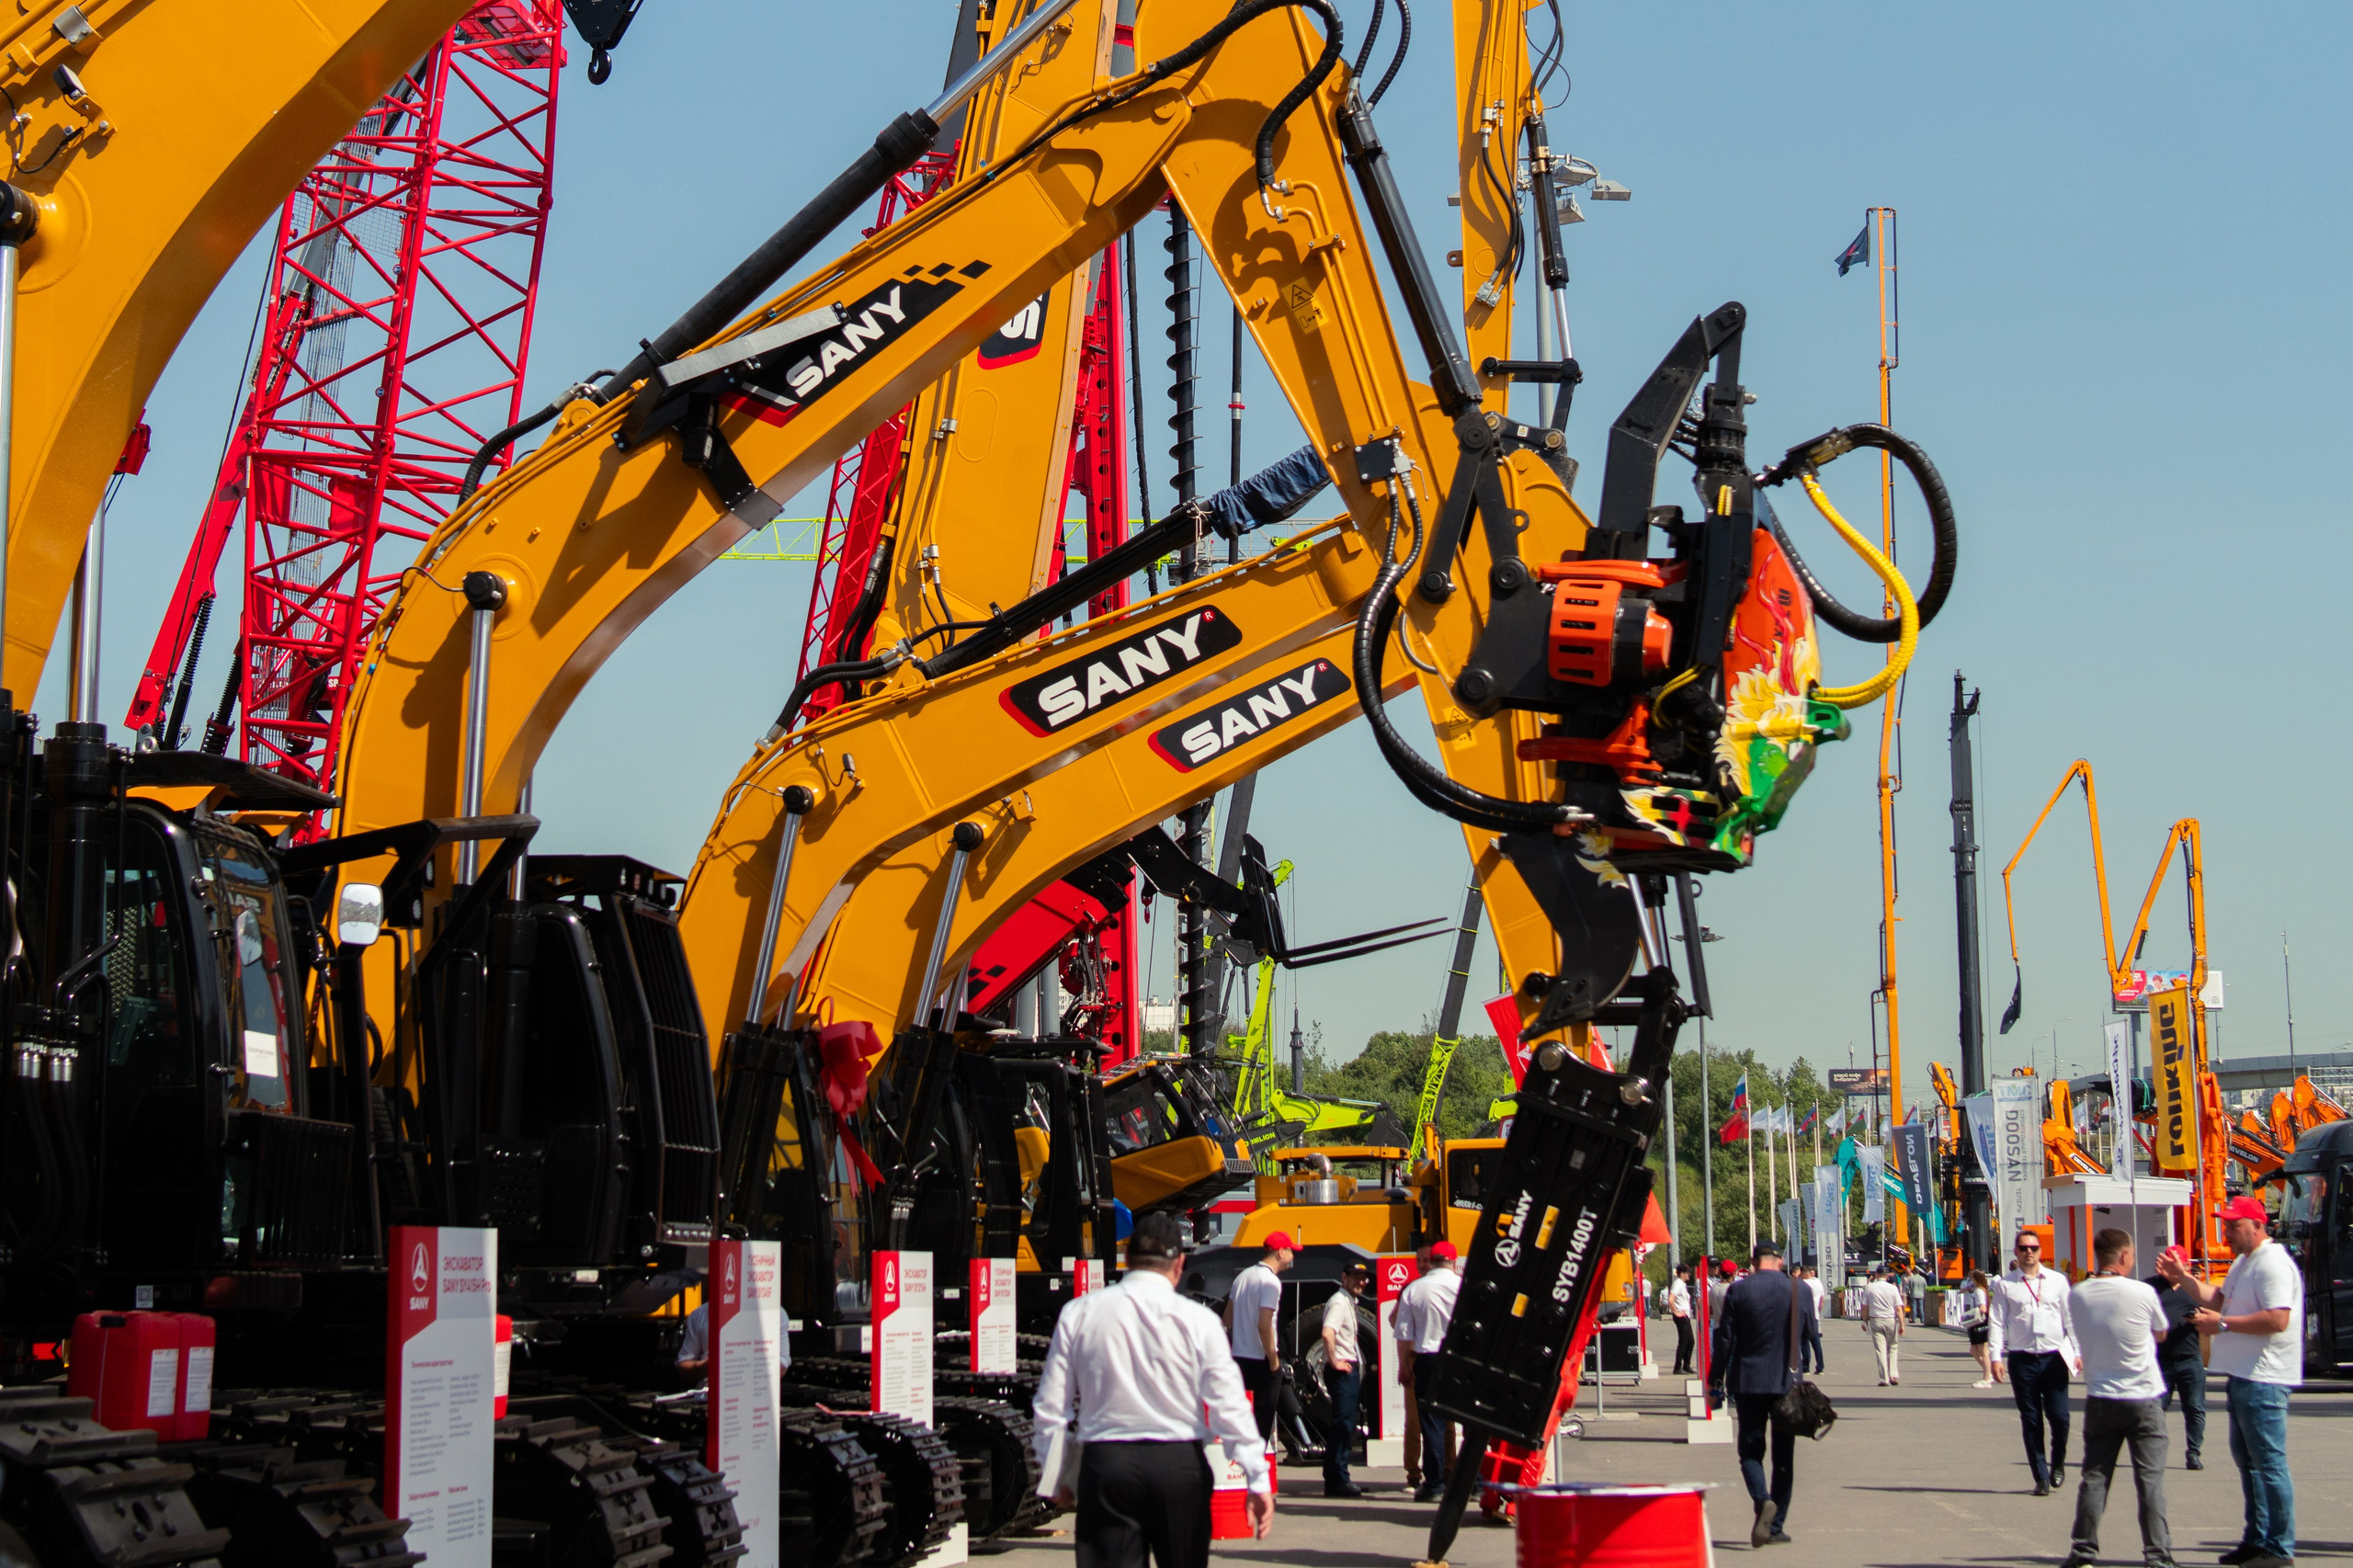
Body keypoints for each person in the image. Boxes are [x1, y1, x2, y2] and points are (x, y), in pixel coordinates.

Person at [1034, 1210, 1273, 1565]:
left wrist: (1056, 1473)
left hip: (1107, 1465)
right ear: (1179, 1264)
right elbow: (1229, 1405)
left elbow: (1051, 1406)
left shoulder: (1079, 1313)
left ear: (1127, 1260)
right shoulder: (1200, 1321)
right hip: (1178, 1465)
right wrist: (1256, 1476)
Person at [2160, 1197, 2302, 1568]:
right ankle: (2258, 1539)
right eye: (2226, 1223)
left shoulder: (2271, 1264)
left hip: (2265, 1377)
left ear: (2257, 1226)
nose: (2227, 1230)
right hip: (2245, 1375)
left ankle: (2279, 1548)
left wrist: (2220, 1325)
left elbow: (2277, 1319)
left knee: (2268, 1464)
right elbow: (2218, 1298)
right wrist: (2185, 1279)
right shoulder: (2245, 1262)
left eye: (2234, 1224)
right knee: (2251, 1464)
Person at [2064, 1228, 2176, 1568]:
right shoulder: (2142, 1292)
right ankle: (2157, 1555)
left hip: (2100, 1397)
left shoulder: (2078, 1294)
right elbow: (2160, 1333)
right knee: (2150, 1480)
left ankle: (2083, 1551)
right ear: (2125, 1256)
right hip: (2142, 1396)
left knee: (2095, 1477)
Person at [1707, 1241, 1816, 1549]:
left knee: (1751, 1453)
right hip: (1787, 1383)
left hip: (1748, 1381)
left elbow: (1725, 1341)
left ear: (1753, 1262)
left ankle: (1762, 1501)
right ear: (1780, 1261)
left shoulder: (1738, 1291)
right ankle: (1776, 1526)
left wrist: (1715, 1382)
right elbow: (1809, 1332)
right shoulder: (1801, 1290)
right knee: (1784, 1459)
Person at [1989, 1228, 2080, 1496]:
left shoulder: (2057, 1281)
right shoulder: (2005, 1285)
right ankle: (2040, 1477)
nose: (2029, 1252)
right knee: (2031, 1420)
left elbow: (2070, 1318)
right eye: (2024, 1248)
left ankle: (2058, 1462)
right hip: (2022, 1359)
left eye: (2034, 1248)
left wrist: (2077, 1350)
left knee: (2060, 1418)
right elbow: (1996, 1322)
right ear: (2016, 1252)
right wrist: (1996, 1357)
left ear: (2041, 1252)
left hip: (2054, 1358)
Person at [1393, 1240, 1462, 1503]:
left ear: (1430, 1261)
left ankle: (1434, 1485)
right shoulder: (1463, 1287)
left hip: (1427, 1357)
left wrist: (1403, 1366)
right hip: (1459, 1359)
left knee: (1431, 1424)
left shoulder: (1414, 1289)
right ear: (1454, 1262)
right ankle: (1474, 1482)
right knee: (1469, 1423)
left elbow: (1403, 1334)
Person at [1224, 1233, 1295, 1447]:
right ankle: (1256, 1475)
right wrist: (1273, 1361)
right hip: (1261, 1362)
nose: (1292, 1256)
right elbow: (1264, 1325)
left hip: (1240, 1358)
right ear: (1281, 1252)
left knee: (1242, 1425)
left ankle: (1238, 1474)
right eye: (1291, 1251)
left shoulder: (1243, 1277)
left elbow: (1227, 1319)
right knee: (1261, 1428)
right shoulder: (1270, 1281)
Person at [2144, 1244, 2206, 1471]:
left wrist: (2201, 1317)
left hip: (2190, 1359)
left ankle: (2194, 1453)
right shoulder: (2149, 1287)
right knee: (2156, 1408)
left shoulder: (2194, 1289)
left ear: (2185, 1265)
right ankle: (2152, 1453)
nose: (2169, 1269)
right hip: (2161, 1361)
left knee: (2195, 1408)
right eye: (2166, 1263)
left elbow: (2214, 1311)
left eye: (2175, 1264)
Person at [1319, 1262, 1370, 1497]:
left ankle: (1337, 1475)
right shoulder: (1339, 1302)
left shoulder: (1348, 1301)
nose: (1362, 1281)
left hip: (1346, 1370)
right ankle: (1338, 1478)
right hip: (1342, 1372)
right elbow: (1327, 1333)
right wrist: (1335, 1361)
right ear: (1344, 1278)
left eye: (1364, 1277)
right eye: (1356, 1277)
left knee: (1345, 1424)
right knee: (1343, 1425)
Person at [674, 1294, 791, 1380]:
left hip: (755, 1399)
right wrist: (704, 1366)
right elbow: (683, 1364)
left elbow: (782, 1366)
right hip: (708, 1397)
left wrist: (745, 1369)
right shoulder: (700, 1314)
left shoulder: (775, 1313)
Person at [1861, 1265, 1907, 1385]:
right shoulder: (1893, 1289)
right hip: (1890, 1319)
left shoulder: (1869, 1288)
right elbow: (1898, 1308)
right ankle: (1893, 1375)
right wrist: (1902, 1324)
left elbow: (1865, 1307)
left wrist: (1864, 1321)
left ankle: (1884, 1378)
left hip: (1875, 1319)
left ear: (1876, 1275)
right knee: (1892, 1347)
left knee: (1880, 1349)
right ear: (1887, 1276)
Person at [1962, 1269, 1996, 1388]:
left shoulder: (1979, 1291)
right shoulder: (1981, 1290)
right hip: (1979, 1322)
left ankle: (1987, 1377)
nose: (1970, 1279)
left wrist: (1971, 1313)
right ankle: (1988, 1372)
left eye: (1972, 1277)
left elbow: (1983, 1308)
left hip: (1980, 1322)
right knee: (1974, 1350)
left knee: (1983, 1351)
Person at [1668, 1264, 1697, 1376]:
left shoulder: (1682, 1285)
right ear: (1682, 1274)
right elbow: (1671, 1299)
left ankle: (1687, 1365)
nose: (1689, 1274)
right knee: (1684, 1341)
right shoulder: (1678, 1284)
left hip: (1685, 1316)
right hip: (1681, 1316)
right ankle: (1678, 1366)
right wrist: (1676, 1312)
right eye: (1687, 1272)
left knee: (1690, 1341)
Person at [1800, 1267, 1828, 1374]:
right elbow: (1822, 1300)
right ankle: (1820, 1367)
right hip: (1814, 1316)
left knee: (1804, 1343)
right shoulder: (1818, 1283)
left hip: (1803, 1316)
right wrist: (1818, 1311)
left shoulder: (1802, 1284)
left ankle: (1806, 1367)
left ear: (1803, 1274)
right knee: (1816, 1343)